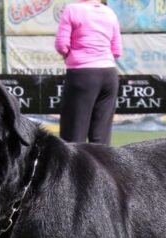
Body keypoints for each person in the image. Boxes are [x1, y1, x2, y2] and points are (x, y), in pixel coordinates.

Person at [54, 0, 122, 145]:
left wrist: (70, 56)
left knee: (74, 135)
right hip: (109, 75)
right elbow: (117, 50)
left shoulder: (72, 9)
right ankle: (103, 167)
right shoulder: (109, 12)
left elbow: (61, 45)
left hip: (82, 74)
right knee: (101, 138)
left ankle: (73, 168)